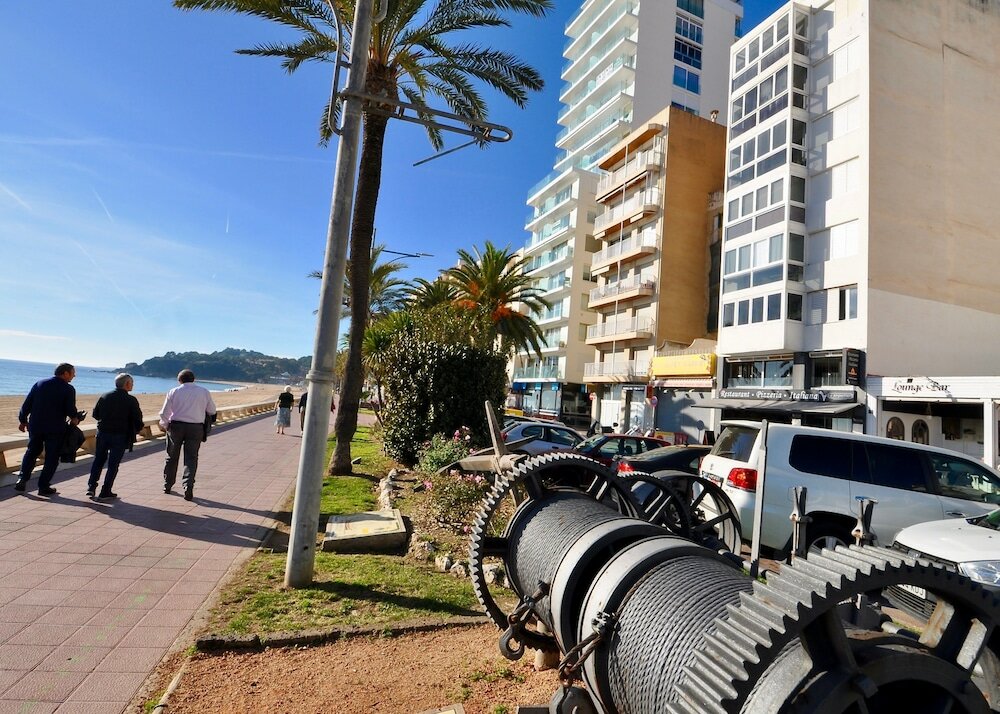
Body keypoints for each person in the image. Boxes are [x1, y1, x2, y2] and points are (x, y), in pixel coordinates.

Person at [16, 363, 79, 496]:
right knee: (52, 457)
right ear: (65, 373)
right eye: (73, 373)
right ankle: (43, 486)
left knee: (32, 451)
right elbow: (70, 409)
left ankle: (22, 479)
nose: (74, 375)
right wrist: (75, 417)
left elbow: (27, 404)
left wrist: (23, 420)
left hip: (36, 425)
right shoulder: (68, 389)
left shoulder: (40, 383)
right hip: (55, 428)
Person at [158, 369, 217, 501]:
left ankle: (168, 484)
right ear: (194, 379)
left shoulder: (174, 391)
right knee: (191, 458)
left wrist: (166, 425)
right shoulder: (204, 391)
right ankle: (188, 486)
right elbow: (212, 410)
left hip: (176, 426)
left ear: (180, 380)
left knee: (171, 456)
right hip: (196, 427)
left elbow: (164, 413)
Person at [87, 373, 144, 500]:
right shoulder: (131, 400)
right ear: (127, 384)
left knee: (98, 461)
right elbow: (137, 419)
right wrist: (137, 429)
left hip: (102, 433)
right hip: (120, 435)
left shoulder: (105, 396)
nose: (133, 385)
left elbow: (96, 414)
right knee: (113, 464)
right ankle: (105, 490)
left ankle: (91, 487)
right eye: (132, 383)